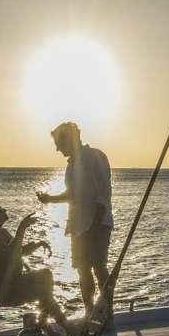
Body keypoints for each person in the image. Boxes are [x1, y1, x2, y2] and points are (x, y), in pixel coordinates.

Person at [36, 120, 113, 325]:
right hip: (78, 225)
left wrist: (96, 223)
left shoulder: (94, 157)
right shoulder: (71, 166)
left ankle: (107, 314)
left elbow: (103, 194)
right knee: (82, 269)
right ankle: (90, 313)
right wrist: (50, 199)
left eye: (59, 144)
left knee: (99, 267)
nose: (57, 149)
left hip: (96, 223)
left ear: (69, 139)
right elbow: (73, 195)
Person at [0, 200, 71, 336]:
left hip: (12, 284)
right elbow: (10, 254)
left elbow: (19, 251)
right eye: (0, 210)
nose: (4, 211)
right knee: (43, 289)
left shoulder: (2, 232)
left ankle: (47, 324)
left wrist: (37, 244)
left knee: (45, 275)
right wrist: (22, 228)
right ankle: (62, 326)